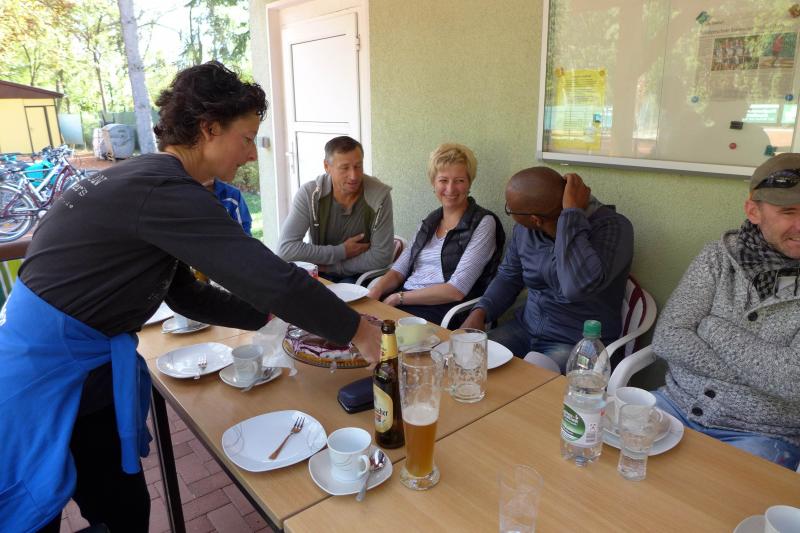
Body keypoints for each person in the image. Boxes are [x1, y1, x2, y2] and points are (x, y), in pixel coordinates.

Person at [0, 61, 381, 533]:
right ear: (209, 128)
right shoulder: (164, 189)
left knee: (121, 508)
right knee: (37, 512)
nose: (251, 154)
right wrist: (356, 328)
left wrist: (268, 315)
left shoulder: (146, 180)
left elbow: (183, 294)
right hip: (41, 375)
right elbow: (268, 274)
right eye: (246, 138)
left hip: (83, 369)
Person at [651, 153, 800, 470]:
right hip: (676, 404)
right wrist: (758, 376)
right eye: (789, 212)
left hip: (762, 434)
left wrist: (711, 327)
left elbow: (793, 381)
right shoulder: (718, 258)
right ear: (753, 211)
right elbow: (667, 337)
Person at [460, 167, 634, 372]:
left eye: (509, 209)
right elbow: (509, 276)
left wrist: (571, 217)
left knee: (524, 387)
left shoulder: (613, 228)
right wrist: (481, 311)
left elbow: (576, 287)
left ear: (536, 219)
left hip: (576, 343)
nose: (509, 211)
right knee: (462, 361)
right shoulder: (526, 230)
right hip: (525, 329)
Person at [366, 143, 504, 325]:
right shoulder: (430, 222)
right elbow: (399, 269)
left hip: (441, 308)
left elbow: (456, 291)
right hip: (406, 299)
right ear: (433, 183)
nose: (451, 189)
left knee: (377, 335)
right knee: (356, 326)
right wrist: (375, 292)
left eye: (459, 180)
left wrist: (398, 298)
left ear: (469, 183)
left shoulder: (484, 223)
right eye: (443, 180)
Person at [277, 136, 394, 283]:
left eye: (358, 166)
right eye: (345, 168)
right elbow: (286, 249)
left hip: (358, 275)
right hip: (318, 272)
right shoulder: (310, 194)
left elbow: (381, 256)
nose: (354, 176)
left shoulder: (379, 195)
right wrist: (342, 251)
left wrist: (331, 267)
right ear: (327, 166)